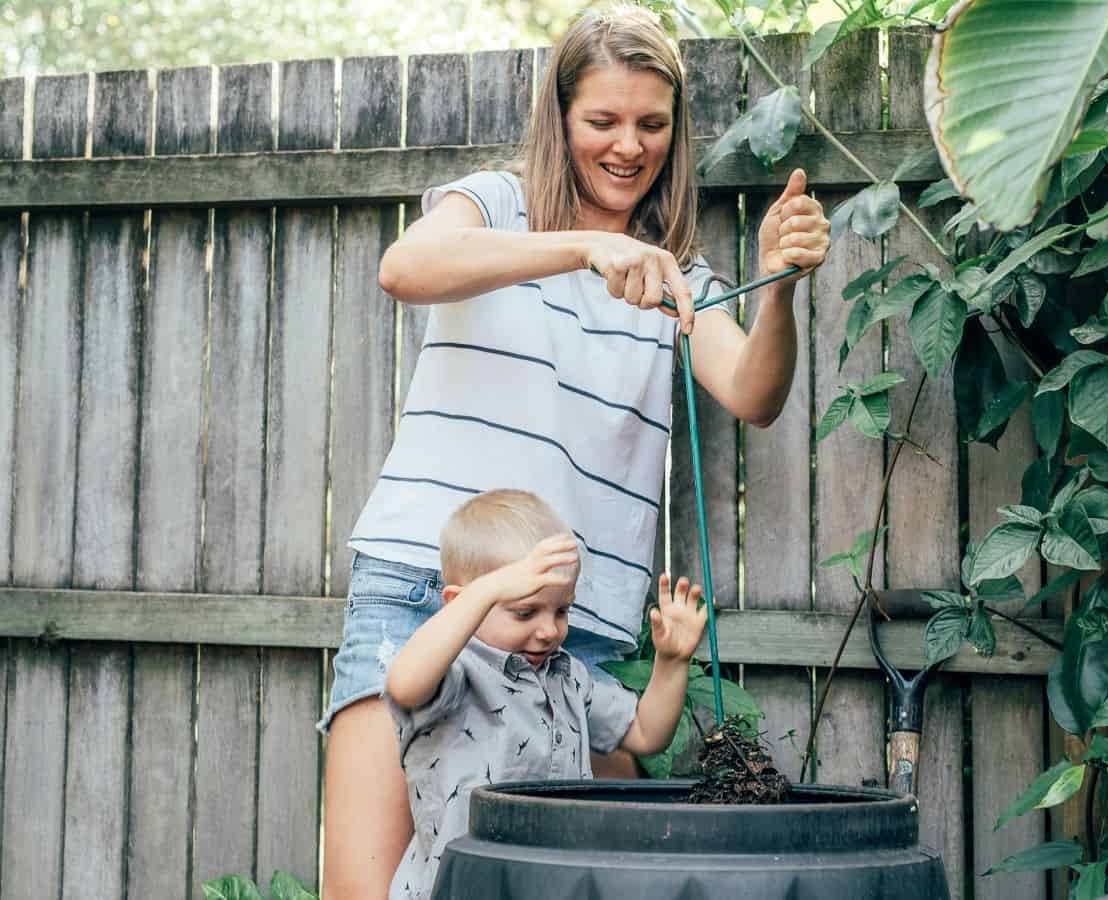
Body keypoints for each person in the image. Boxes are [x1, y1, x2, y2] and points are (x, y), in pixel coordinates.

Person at [317, 4, 831, 898]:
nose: (629, 146)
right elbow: (405, 269)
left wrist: (779, 289)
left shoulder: (678, 279)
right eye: (602, 121)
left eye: (652, 124)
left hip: (571, 631)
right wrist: (585, 247)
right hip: (424, 596)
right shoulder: (497, 205)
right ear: (560, 121)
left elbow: (754, 391)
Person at [382, 489, 707, 900]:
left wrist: (671, 663)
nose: (548, 630)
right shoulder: (456, 673)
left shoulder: (566, 675)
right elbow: (405, 683)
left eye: (561, 610)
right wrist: (486, 591)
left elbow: (646, 732)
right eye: (524, 612)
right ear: (460, 603)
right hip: (459, 888)